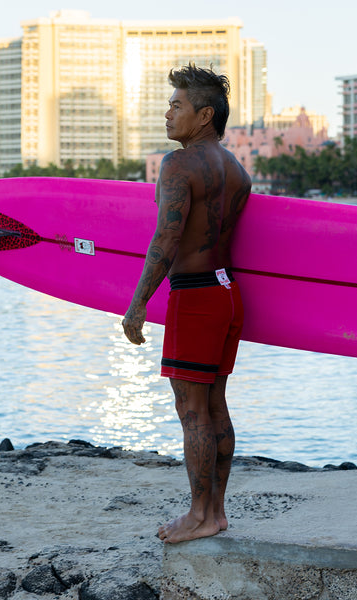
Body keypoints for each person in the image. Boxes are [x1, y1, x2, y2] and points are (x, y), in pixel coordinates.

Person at [122, 63, 251, 544]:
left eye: (177, 105)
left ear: (204, 115)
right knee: (214, 403)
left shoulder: (179, 165)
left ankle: (199, 515)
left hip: (195, 297)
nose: (168, 113)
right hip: (227, 293)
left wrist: (138, 303)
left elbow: (167, 237)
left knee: (192, 409)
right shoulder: (236, 170)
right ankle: (216, 512)